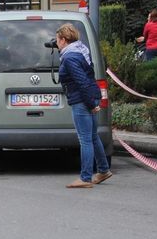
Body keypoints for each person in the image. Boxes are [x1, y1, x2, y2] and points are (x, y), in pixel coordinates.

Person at [56, 23, 112, 188]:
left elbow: (81, 81)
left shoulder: (69, 57)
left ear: (64, 40)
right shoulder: (81, 51)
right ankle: (103, 170)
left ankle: (85, 178)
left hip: (81, 100)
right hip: (88, 97)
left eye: (58, 40)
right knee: (93, 136)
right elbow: (89, 77)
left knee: (85, 140)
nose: (56, 43)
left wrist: (90, 103)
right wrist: (94, 100)